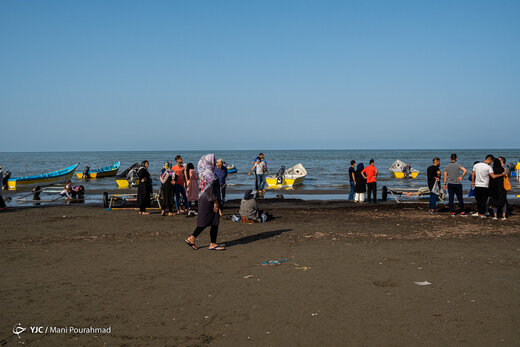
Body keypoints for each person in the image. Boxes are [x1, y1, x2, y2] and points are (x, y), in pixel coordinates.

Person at [184, 154, 224, 251]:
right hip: (209, 200)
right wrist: (215, 202)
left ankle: (194, 238)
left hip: (206, 199)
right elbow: (209, 189)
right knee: (210, 221)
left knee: (211, 221)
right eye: (213, 160)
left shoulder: (206, 171)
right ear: (208, 161)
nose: (214, 161)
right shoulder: (208, 173)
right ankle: (208, 242)